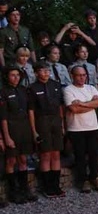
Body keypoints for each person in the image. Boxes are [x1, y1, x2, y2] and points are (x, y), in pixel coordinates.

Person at [64, 66, 98, 192]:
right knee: (80, 155)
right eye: (79, 75)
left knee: (93, 153)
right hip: (76, 128)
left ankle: (94, 177)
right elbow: (74, 109)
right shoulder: (68, 90)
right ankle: (83, 181)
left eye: (84, 75)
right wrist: (92, 104)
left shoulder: (91, 88)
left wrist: (82, 103)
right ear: (73, 76)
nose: (82, 77)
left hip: (92, 126)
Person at [0, 66, 38, 202]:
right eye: (12, 75)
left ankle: (24, 189)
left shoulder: (24, 90)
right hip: (11, 128)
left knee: (23, 159)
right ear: (6, 77)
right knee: (11, 160)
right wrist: (6, 137)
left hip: (24, 128)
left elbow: (30, 111)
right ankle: (13, 192)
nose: (15, 78)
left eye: (17, 75)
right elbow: (3, 117)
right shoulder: (3, 92)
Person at [28, 61, 66, 197]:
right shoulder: (32, 88)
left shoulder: (55, 85)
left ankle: (56, 186)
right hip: (42, 120)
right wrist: (34, 130)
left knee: (56, 153)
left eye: (47, 71)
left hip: (55, 119)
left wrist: (62, 124)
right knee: (45, 154)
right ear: (36, 72)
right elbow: (31, 111)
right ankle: (47, 187)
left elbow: (60, 106)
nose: (46, 73)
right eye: (42, 71)